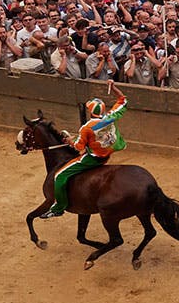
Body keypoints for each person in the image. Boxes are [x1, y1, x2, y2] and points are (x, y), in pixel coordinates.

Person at [41, 80, 128, 218]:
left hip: (93, 158)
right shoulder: (110, 117)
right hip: (107, 153)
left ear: (90, 111)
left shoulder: (86, 128)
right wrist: (114, 87)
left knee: (59, 176)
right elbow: (123, 100)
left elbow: (78, 148)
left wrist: (70, 141)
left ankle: (59, 208)